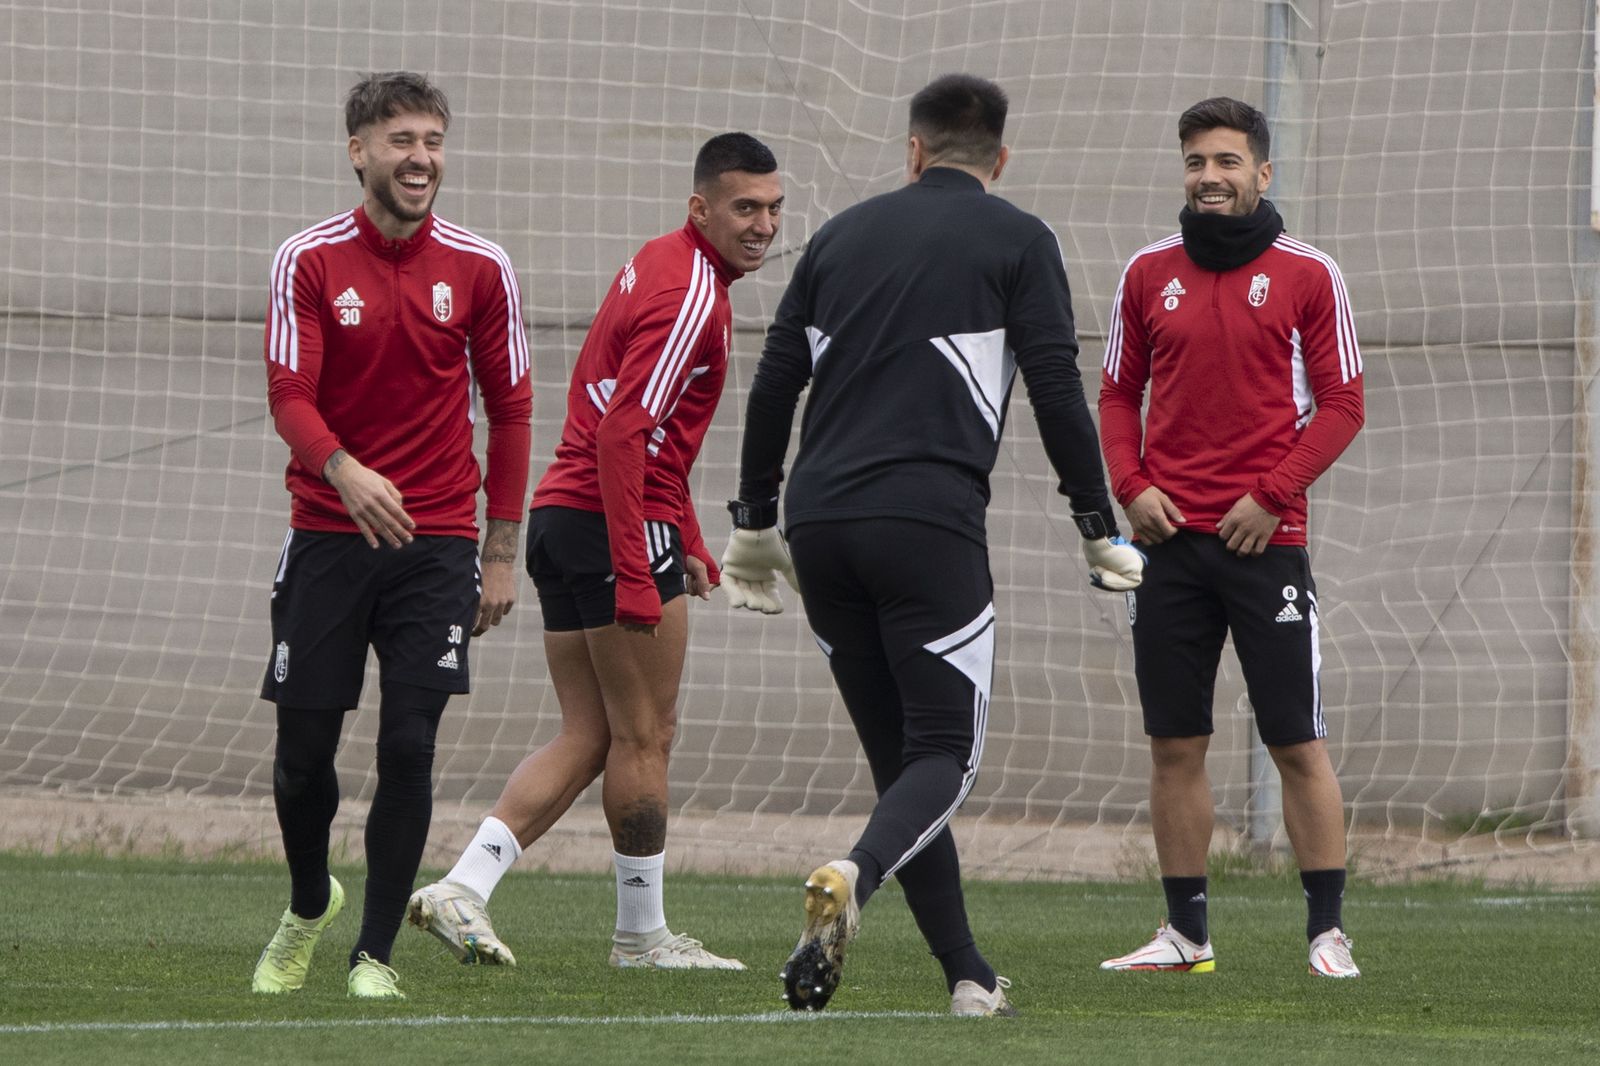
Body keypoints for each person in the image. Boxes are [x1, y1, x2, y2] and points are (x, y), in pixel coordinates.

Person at [720, 74, 1144, 1016]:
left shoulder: (838, 235)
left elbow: (774, 381)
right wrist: (1096, 526)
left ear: (912, 152)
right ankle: (854, 877)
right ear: (999, 160)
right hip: (926, 525)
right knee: (946, 754)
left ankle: (968, 976)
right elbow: (1056, 390)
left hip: (819, 527)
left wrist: (752, 520)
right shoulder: (1019, 237)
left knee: (904, 767)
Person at [406, 133, 784, 971]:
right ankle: (641, 939)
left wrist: (684, 537)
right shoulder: (693, 291)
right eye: (744, 208)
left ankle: (463, 887)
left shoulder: (658, 264)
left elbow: (630, 418)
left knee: (591, 731)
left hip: (565, 518)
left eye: (772, 208)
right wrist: (637, 567)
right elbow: (625, 433)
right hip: (612, 523)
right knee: (647, 736)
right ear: (701, 209)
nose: (763, 225)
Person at [251, 71, 532, 1000]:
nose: (421, 160)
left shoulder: (483, 266)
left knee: (410, 745)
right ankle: (306, 905)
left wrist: (499, 549)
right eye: (402, 141)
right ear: (359, 150)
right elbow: (290, 396)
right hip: (330, 532)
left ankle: (373, 954)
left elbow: (514, 405)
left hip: (440, 540)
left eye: (434, 142)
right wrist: (344, 468)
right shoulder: (309, 259)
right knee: (302, 759)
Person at [1097, 97, 1365, 978]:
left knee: (1295, 740)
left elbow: (1343, 405)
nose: (1208, 177)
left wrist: (1272, 494)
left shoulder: (1309, 274)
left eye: (1225, 161)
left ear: (1263, 172)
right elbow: (1113, 396)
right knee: (1175, 744)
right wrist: (1130, 487)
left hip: (1267, 542)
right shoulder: (1145, 273)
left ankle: (1327, 932)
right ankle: (1185, 936)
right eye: (1194, 162)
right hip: (1169, 549)